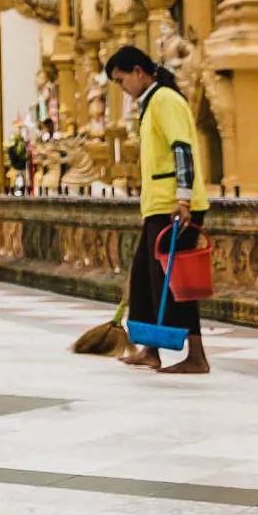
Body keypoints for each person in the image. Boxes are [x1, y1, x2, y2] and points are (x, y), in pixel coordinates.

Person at [106, 45, 207, 374]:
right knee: (147, 280)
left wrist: (183, 197)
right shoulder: (151, 103)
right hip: (158, 206)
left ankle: (196, 355)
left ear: (138, 71)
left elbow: (182, 149)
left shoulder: (164, 100)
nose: (122, 88)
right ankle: (151, 348)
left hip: (175, 206)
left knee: (178, 281)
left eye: (122, 81)